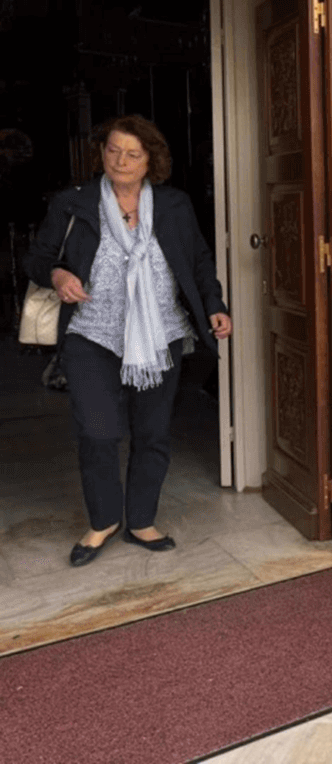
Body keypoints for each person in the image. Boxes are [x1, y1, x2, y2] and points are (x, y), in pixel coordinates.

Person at [25, 114, 231, 567]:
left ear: (151, 160)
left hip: (160, 337)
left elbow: (198, 259)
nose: (120, 160)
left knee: (152, 432)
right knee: (97, 432)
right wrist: (57, 274)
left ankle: (141, 521)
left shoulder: (174, 205)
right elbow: (37, 258)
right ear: (102, 153)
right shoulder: (73, 202)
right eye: (113, 150)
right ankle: (103, 522)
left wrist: (214, 304)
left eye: (132, 154)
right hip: (91, 335)